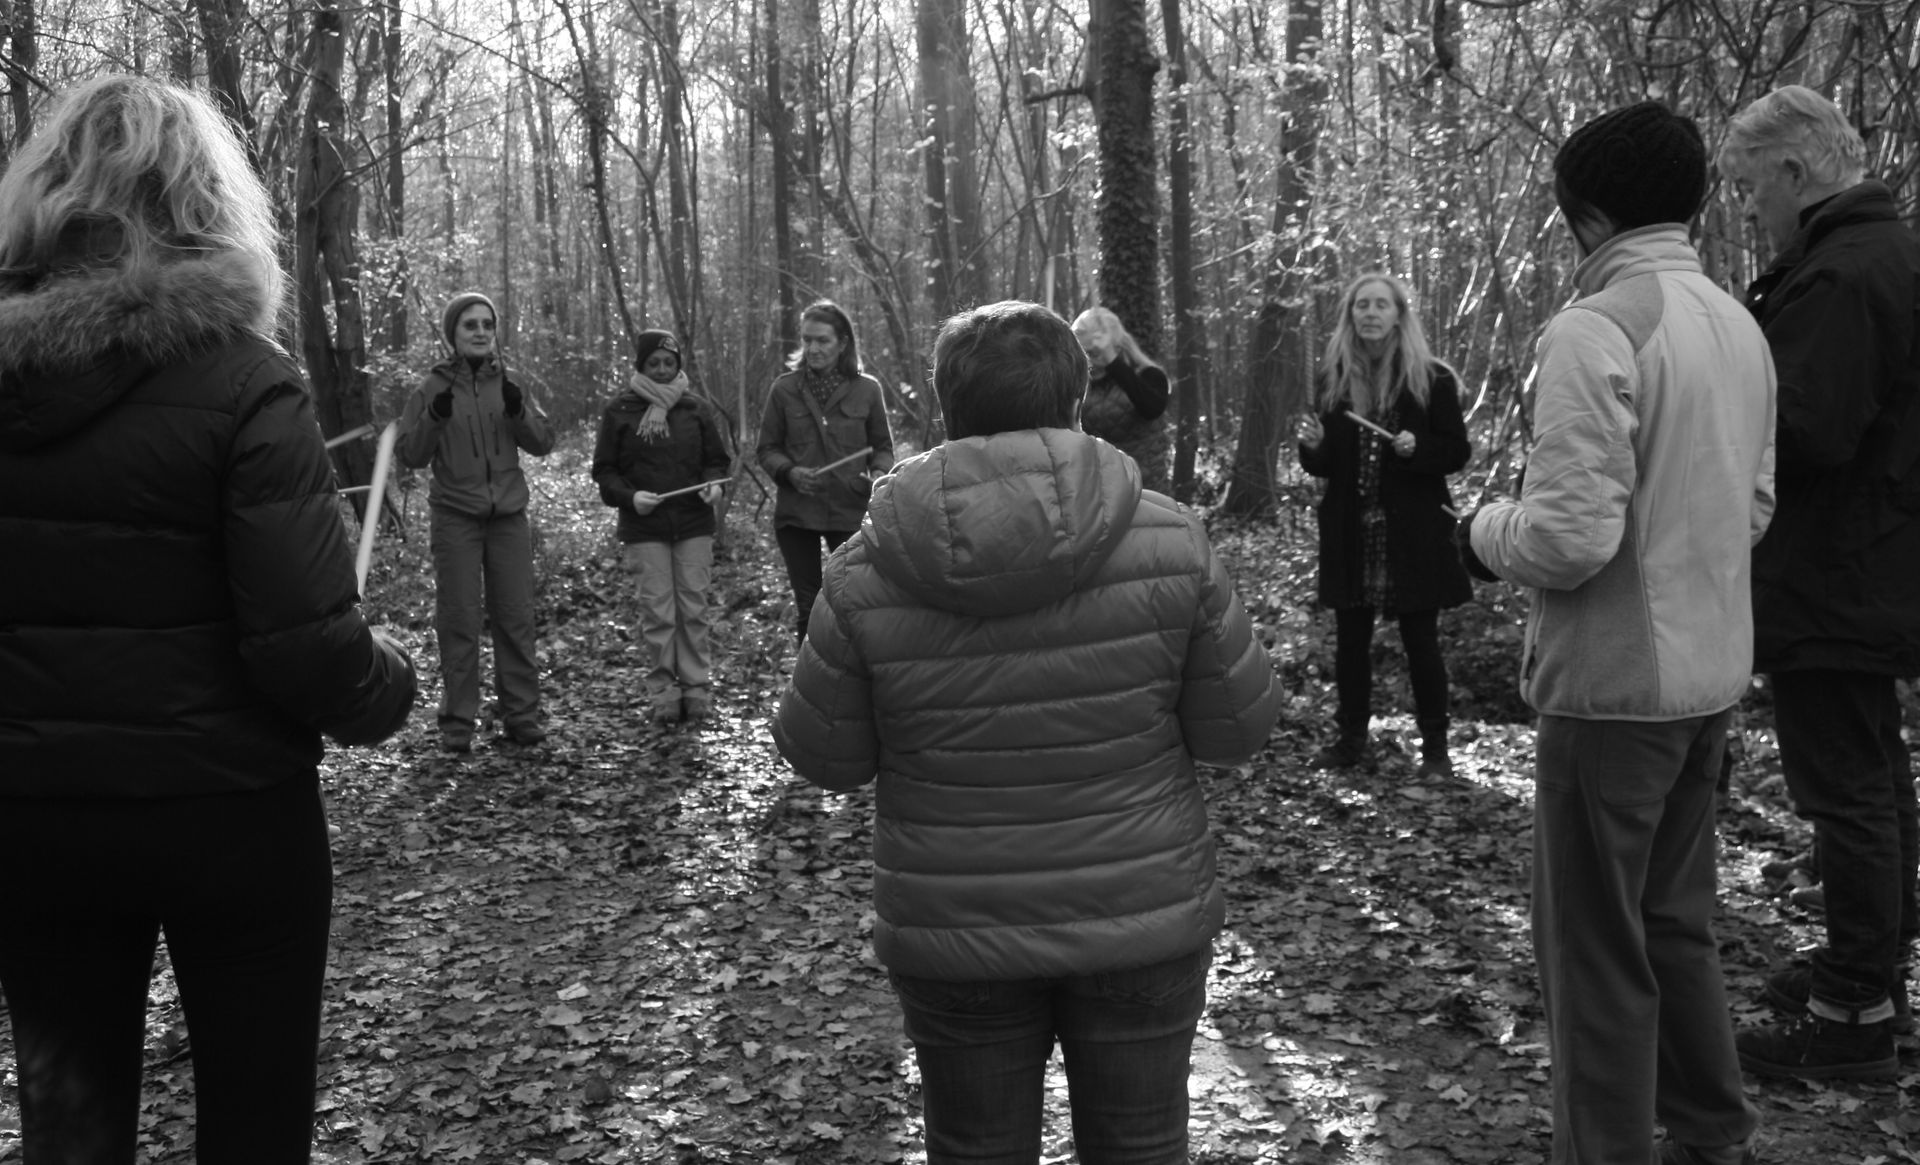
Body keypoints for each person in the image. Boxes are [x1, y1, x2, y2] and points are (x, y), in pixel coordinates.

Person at [0, 75, 417, 1165]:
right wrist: (391, 681)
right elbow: (309, 646)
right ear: (201, 202)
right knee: (255, 1108)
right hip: (230, 815)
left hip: (35, 818)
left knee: (71, 1125)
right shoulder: (244, 382)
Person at [772, 300, 1282, 1164]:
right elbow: (1238, 727)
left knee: (975, 1148)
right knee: (1141, 1145)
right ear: (1077, 402)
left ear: (945, 409)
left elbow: (826, 756)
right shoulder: (1169, 538)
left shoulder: (865, 565)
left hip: (955, 923)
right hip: (1139, 914)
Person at [1458, 101, 1775, 1164]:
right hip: (1711, 672)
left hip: (1614, 688)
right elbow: (1757, 504)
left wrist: (1477, 529)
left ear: (1585, 217)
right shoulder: (1737, 321)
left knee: (1593, 945)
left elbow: (1566, 539)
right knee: (1675, 921)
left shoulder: (1596, 327)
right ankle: (1710, 1128)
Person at [1717, 85, 1920, 1081]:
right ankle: (1871, 969)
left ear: (1796, 174)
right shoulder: (1872, 253)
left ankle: (1852, 1020)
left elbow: (1805, 430)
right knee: (1871, 773)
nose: (1747, 210)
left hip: (1836, 568)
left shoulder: (1844, 273)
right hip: (1862, 562)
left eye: (1752, 189)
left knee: (1845, 788)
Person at [1295, 272, 1472, 779]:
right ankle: (1351, 740)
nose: (1370, 313)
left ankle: (1435, 750)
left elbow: (1457, 451)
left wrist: (1420, 450)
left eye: (1381, 305)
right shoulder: (1332, 377)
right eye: (1361, 305)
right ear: (1350, 315)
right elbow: (1325, 465)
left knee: (1422, 640)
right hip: (1353, 531)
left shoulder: (1432, 378)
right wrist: (1312, 447)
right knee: (1351, 641)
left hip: (1412, 533)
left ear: (1399, 314)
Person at [398, 290, 555, 752]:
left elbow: (544, 441)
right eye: (471, 325)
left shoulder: (510, 381)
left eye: (487, 324)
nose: (481, 332)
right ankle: (457, 725)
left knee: (515, 618)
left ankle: (522, 717)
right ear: (454, 334)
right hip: (455, 519)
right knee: (459, 619)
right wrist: (434, 417)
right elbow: (412, 455)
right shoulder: (432, 388)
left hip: (508, 518)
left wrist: (518, 410)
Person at [592, 329, 731, 725]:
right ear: (641, 366)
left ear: (678, 365)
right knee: (658, 611)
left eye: (669, 363)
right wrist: (630, 497)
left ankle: (696, 688)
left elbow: (716, 461)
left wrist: (715, 486)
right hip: (644, 527)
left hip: (693, 523)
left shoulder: (695, 408)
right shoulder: (620, 410)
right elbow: (604, 470)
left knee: (694, 607)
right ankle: (664, 692)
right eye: (654, 363)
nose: (663, 370)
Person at [755, 299, 894, 643]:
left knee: (852, 601)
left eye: (822, 340)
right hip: (796, 515)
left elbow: (883, 448)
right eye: (806, 340)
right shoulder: (784, 389)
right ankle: (807, 684)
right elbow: (766, 449)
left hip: (849, 510)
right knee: (809, 605)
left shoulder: (868, 389)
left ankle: (853, 683)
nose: (812, 348)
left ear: (843, 342)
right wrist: (789, 472)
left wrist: (878, 473)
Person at [1072, 305, 1172, 491]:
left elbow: (1151, 409)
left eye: (1094, 353)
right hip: (1100, 490)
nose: (1090, 362)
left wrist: (1111, 360)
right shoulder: (1080, 385)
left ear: (1116, 345)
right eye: (1084, 355)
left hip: (1146, 489)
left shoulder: (1149, 375)